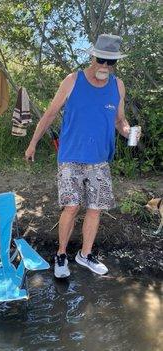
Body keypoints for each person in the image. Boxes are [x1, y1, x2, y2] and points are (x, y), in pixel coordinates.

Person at [25, 34, 140, 278]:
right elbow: (49, 114)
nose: (105, 67)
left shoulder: (117, 85)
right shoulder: (72, 80)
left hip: (100, 159)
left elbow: (119, 120)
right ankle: (61, 254)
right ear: (92, 56)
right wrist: (33, 142)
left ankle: (85, 255)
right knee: (72, 206)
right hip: (71, 156)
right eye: (101, 60)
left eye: (111, 62)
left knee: (96, 208)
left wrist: (128, 131)